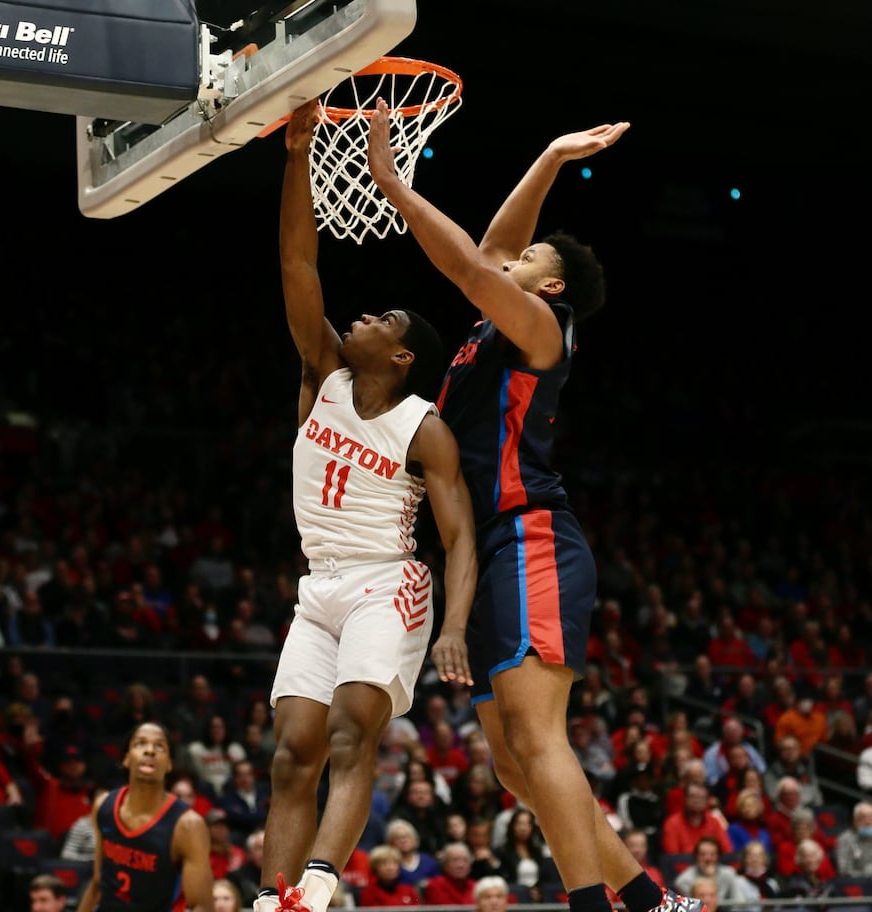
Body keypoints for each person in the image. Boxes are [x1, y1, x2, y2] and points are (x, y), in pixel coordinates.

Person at [368, 101, 705, 912]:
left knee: (533, 737)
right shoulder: (494, 327)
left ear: (548, 286)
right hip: (479, 555)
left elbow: (475, 266)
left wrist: (396, 189)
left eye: (527, 263)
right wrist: (550, 156)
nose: (507, 263)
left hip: (530, 541)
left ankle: (591, 905)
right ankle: (654, 903)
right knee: (514, 765)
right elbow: (490, 253)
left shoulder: (543, 327)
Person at [253, 100, 478, 912]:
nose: (359, 315)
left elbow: (456, 537)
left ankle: (313, 890)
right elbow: (295, 265)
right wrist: (297, 156)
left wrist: (451, 625)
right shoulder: (323, 374)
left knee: (351, 733)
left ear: (403, 353)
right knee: (289, 756)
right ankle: (269, 898)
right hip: (319, 585)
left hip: (389, 583)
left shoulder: (425, 429)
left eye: (378, 317)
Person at [76, 721, 214, 912]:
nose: (150, 751)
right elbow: (98, 882)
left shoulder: (188, 825)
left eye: (159, 746)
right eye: (140, 743)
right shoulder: (103, 806)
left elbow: (202, 906)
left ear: (169, 764)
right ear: (126, 758)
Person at [835, 800, 872, 878]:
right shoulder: (845, 839)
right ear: (855, 821)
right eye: (864, 817)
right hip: (860, 884)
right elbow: (844, 871)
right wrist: (867, 874)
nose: (869, 822)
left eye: (871, 817)